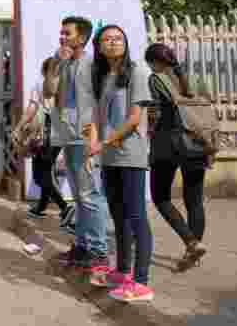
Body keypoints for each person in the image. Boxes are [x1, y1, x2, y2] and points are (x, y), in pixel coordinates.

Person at [89, 25, 154, 302]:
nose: (113, 43)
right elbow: (94, 116)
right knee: (118, 215)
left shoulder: (138, 72)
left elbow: (134, 118)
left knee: (136, 215)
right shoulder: (103, 76)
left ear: (125, 43)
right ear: (99, 46)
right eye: (107, 39)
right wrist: (92, 144)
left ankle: (141, 282)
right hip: (109, 156)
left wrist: (105, 142)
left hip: (130, 154)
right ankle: (122, 271)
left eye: (118, 39)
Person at [46, 16, 109, 275]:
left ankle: (98, 250)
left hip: (85, 135)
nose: (62, 37)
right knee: (78, 194)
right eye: (61, 33)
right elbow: (49, 91)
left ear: (82, 38)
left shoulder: (93, 64)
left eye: (67, 34)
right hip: (65, 133)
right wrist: (56, 65)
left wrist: (96, 137)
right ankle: (82, 246)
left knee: (88, 193)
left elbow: (103, 101)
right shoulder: (60, 61)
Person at [145, 43, 210, 272]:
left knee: (160, 196)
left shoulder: (156, 79)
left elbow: (155, 113)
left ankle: (191, 242)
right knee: (194, 200)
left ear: (153, 62)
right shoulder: (195, 78)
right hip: (198, 142)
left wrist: (148, 133)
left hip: (168, 145)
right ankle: (193, 251)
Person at [17, 58, 69, 221]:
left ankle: (65, 207)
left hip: (46, 131)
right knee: (46, 170)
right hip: (60, 131)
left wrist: (19, 126)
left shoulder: (40, 85)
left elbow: (32, 109)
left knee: (40, 175)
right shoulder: (66, 87)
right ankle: (41, 206)